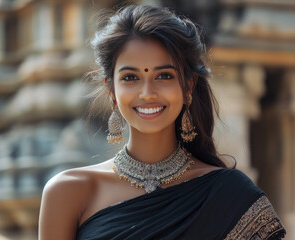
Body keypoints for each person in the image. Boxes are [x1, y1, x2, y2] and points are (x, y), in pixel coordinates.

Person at [39, 5, 286, 240]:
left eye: (164, 75)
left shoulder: (229, 194)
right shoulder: (68, 192)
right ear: (112, 90)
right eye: (130, 77)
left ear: (188, 86)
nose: (147, 92)